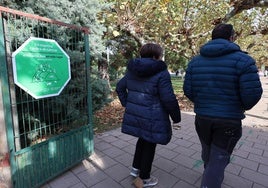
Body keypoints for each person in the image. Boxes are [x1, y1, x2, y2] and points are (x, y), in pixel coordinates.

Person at [183, 23, 263, 188]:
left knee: (208, 151)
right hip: (229, 120)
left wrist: (202, 103)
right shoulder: (244, 60)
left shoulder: (194, 62)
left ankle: (210, 172)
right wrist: (238, 107)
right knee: (219, 158)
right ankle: (211, 177)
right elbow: (252, 94)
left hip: (202, 117)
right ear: (232, 37)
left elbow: (188, 90)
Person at [116, 43, 181, 187]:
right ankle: (144, 178)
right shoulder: (161, 73)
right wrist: (176, 118)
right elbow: (168, 98)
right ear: (155, 56)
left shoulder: (131, 71)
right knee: (149, 144)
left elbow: (119, 87)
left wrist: (128, 103)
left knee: (142, 139)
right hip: (153, 116)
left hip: (138, 114)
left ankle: (135, 169)